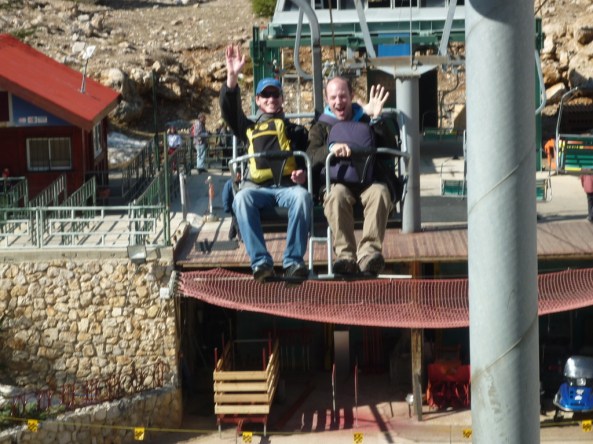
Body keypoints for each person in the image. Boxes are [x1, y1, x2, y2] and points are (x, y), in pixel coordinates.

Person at [220, 43, 311, 282]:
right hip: (258, 189)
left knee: (303, 197)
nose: (271, 99)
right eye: (266, 95)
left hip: (287, 188)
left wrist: (303, 174)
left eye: (275, 95)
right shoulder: (248, 128)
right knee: (241, 199)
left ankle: (293, 261)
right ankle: (261, 262)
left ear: (281, 99)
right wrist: (232, 77)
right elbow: (230, 112)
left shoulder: (295, 131)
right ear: (258, 100)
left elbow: (309, 158)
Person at [307, 76, 392, 276]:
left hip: (367, 181)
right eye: (333, 97)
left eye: (343, 96)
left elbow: (389, 149)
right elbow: (310, 156)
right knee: (336, 196)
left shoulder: (366, 119)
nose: (339, 102)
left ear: (352, 96)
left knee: (380, 193)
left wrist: (377, 120)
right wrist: (331, 149)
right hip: (338, 182)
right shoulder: (321, 127)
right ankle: (345, 256)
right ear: (327, 100)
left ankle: (369, 253)